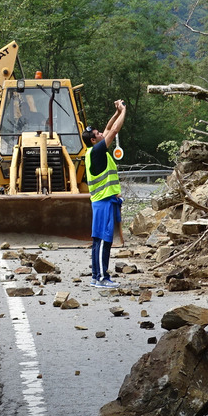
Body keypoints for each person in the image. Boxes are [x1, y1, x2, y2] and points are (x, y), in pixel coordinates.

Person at [83, 99, 126, 288]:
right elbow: (114, 130)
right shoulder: (97, 151)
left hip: (103, 201)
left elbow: (109, 127)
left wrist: (116, 112)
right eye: (98, 134)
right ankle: (101, 277)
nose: (102, 133)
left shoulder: (94, 150)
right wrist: (124, 111)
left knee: (99, 240)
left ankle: (96, 276)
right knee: (103, 240)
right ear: (94, 140)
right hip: (103, 202)